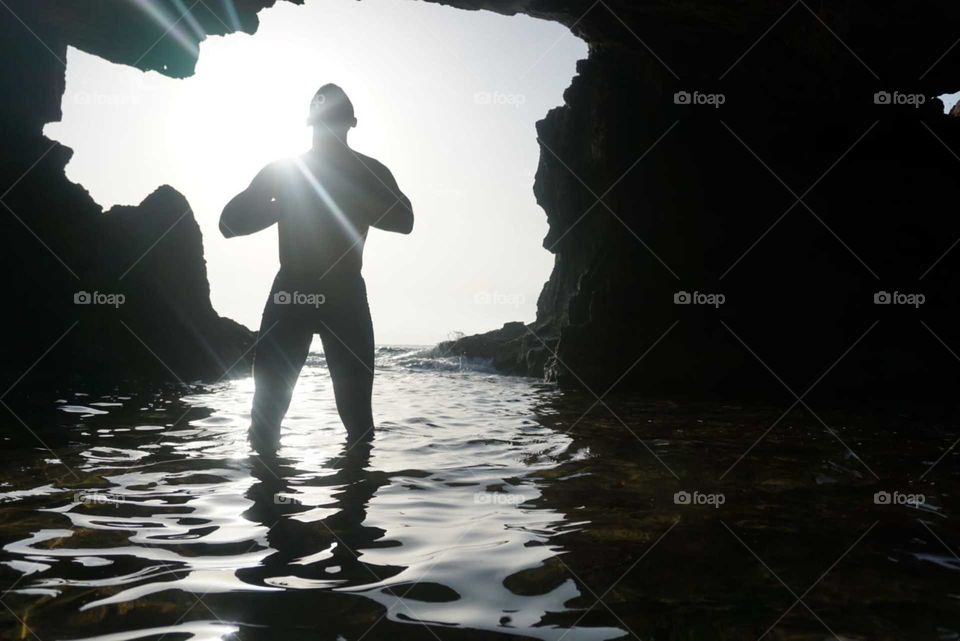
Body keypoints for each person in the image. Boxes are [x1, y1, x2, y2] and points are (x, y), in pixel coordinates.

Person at [220, 83, 413, 451]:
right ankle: (271, 497)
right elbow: (228, 224)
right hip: (296, 290)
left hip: (342, 294)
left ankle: (347, 501)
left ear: (351, 124)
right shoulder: (286, 171)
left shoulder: (367, 171)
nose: (328, 131)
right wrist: (282, 205)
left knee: (357, 419)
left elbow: (405, 221)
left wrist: (349, 198)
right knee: (266, 417)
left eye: (333, 123)